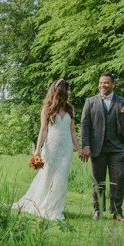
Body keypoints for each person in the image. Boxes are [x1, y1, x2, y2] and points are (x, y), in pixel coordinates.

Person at [12, 79, 84, 220]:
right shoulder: (47, 108)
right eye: (68, 89)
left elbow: (73, 132)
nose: (70, 92)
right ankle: (39, 205)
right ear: (62, 90)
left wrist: (78, 149)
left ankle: (54, 207)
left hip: (66, 149)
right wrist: (38, 149)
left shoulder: (70, 109)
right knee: (47, 177)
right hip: (51, 148)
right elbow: (43, 130)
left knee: (61, 178)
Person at [80, 72, 124, 222]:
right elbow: (85, 125)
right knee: (98, 180)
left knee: (119, 178)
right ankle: (98, 210)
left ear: (113, 85)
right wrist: (86, 145)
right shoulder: (90, 102)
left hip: (118, 149)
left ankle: (117, 212)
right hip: (97, 148)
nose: (102, 85)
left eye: (106, 83)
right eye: (101, 82)